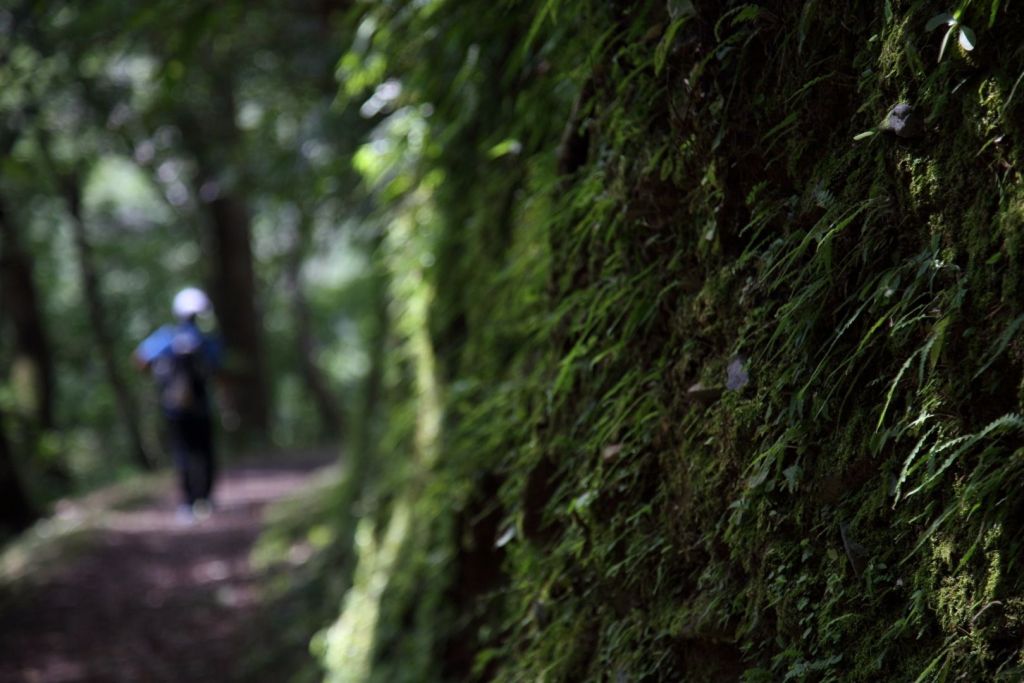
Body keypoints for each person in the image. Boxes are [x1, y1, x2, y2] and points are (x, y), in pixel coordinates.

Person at [134, 287, 222, 521]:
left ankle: (187, 503)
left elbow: (140, 359)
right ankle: (206, 499)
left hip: (175, 409)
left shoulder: (167, 337)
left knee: (182, 454)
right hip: (202, 408)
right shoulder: (205, 340)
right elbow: (218, 365)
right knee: (205, 451)